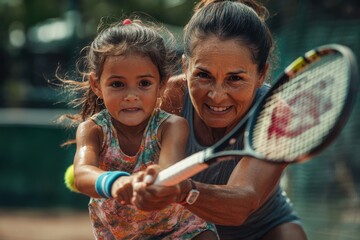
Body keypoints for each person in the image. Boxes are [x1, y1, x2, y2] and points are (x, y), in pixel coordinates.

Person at [130, 1, 308, 240]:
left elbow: (242, 202)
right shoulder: (170, 97)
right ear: (185, 66)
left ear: (261, 74)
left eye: (235, 78)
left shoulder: (276, 114)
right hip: (185, 231)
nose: (217, 95)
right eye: (203, 75)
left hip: (264, 229)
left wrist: (184, 191)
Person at [59, 17, 218, 240]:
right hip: (119, 234)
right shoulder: (92, 129)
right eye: (117, 84)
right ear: (97, 85)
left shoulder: (172, 126)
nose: (131, 95)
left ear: (162, 84)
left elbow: (168, 171)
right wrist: (116, 182)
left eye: (144, 83)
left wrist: (156, 180)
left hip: (178, 229)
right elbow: (82, 174)